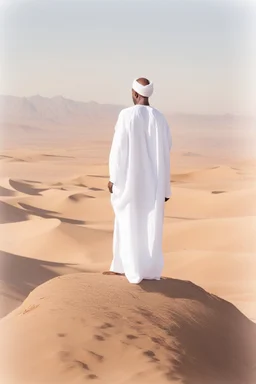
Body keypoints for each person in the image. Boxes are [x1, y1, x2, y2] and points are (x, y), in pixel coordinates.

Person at [106, 77, 171, 284]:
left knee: (127, 221)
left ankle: (125, 267)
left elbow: (118, 149)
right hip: (154, 183)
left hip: (130, 181)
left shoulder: (126, 115)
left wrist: (113, 177)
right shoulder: (160, 118)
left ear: (135, 94)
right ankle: (147, 269)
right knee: (149, 224)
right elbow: (167, 150)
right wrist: (165, 188)